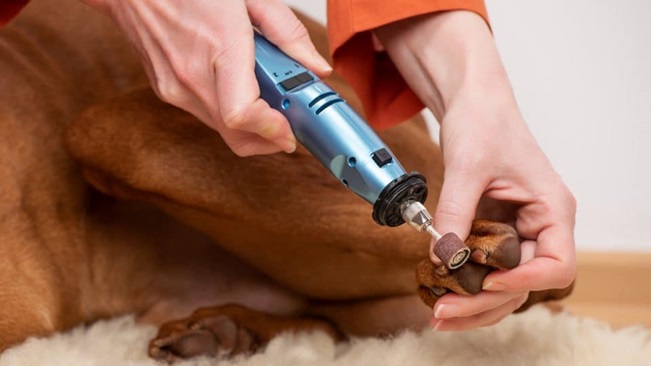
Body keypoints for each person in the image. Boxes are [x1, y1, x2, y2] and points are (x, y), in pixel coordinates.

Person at [0, 0, 576, 331]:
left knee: (122, 140)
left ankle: (483, 250)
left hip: (236, 101)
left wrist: (476, 91)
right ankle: (320, 318)